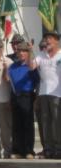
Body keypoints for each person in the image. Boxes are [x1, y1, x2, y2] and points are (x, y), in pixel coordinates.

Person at [29, 31, 61, 159]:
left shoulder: (60, 56)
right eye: (46, 38)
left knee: (57, 122)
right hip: (43, 93)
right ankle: (48, 149)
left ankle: (58, 148)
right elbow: (31, 66)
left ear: (56, 41)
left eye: (50, 39)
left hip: (58, 94)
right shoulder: (41, 55)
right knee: (45, 122)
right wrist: (31, 51)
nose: (47, 41)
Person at [7, 41, 38, 159]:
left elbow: (36, 81)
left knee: (27, 124)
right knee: (16, 124)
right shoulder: (13, 66)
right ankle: (18, 150)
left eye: (24, 51)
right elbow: (10, 83)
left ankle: (29, 150)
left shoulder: (30, 66)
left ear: (27, 53)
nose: (21, 53)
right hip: (16, 96)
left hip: (27, 96)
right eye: (19, 51)